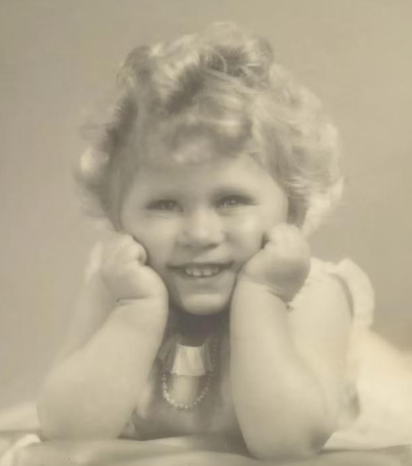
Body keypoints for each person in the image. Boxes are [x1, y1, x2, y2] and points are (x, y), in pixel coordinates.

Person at [36, 23, 412, 461]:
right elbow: (65, 430)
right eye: (165, 204)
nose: (200, 234)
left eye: (231, 200)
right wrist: (136, 313)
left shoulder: (312, 294)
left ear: (292, 208)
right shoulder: (119, 287)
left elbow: (287, 442)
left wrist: (261, 296)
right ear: (119, 217)